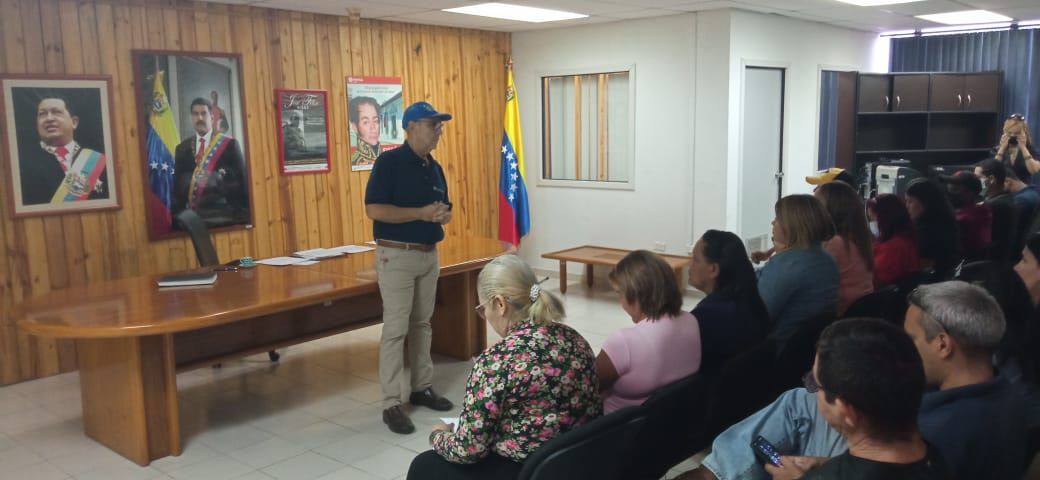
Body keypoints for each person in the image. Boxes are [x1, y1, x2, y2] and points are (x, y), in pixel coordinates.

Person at [675, 281, 1026, 480]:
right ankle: (716, 471)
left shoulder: (944, 431)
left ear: (943, 344)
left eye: (909, 338)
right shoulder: (1007, 391)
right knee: (800, 400)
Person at [406, 255, 601, 479]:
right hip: (576, 464)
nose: (484, 316)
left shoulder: (495, 362)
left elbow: (468, 450)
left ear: (499, 304)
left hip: (526, 470)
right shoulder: (574, 339)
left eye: (482, 308)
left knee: (424, 465)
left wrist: (438, 436)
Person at [365, 101, 455, 434]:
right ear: (412, 126)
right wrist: (419, 213)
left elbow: (444, 207)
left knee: (422, 324)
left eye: (440, 126)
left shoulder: (434, 167)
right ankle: (391, 403)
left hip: (428, 253)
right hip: (397, 256)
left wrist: (443, 215)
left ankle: (421, 387)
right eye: (434, 125)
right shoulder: (389, 162)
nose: (439, 132)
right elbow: (374, 209)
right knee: (396, 329)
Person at [597, 250, 701, 413]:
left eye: (620, 294)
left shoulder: (624, 342)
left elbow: (587, 386)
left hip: (619, 431)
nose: (621, 302)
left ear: (636, 295)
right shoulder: (691, 321)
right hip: (673, 421)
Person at [757, 194, 839, 346]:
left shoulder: (787, 266)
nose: (773, 222)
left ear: (792, 225)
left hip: (776, 351)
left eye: (778, 219)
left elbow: (757, 318)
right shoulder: (826, 259)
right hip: (807, 351)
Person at [688, 230, 770, 374]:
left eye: (695, 259)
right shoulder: (753, 303)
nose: (690, 264)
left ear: (713, 270)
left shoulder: (704, 318)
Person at [19, 93, 109, 205]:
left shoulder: (99, 161)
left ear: (74, 122)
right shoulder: (22, 162)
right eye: (42, 114)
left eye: (56, 112)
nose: (49, 118)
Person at [172, 97, 249, 227]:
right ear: (192, 118)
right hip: (192, 219)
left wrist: (218, 181)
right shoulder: (182, 149)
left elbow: (242, 183)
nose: (200, 118)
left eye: (204, 113)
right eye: (196, 114)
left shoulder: (230, 145)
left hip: (225, 216)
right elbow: (178, 187)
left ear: (212, 118)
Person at [814, 182, 874, 315]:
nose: (811, 210)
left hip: (841, 316)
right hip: (860, 313)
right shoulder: (858, 237)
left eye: (816, 204)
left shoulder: (835, 243)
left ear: (832, 209)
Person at [978, 159, 1038, 262]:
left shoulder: (1021, 201)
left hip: (1010, 258)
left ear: (1007, 181)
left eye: (979, 178)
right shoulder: (1031, 193)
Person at [905, 178, 960, 278]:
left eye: (910, 202)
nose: (907, 206)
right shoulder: (946, 218)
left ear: (926, 202)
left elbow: (923, 266)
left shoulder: (929, 230)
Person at [867, 194, 919, 286]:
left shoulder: (894, 247)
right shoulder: (905, 238)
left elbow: (877, 281)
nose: (871, 223)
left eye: (873, 219)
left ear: (885, 218)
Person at [940, 170, 992, 262]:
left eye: (955, 189)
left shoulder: (964, 219)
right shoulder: (981, 208)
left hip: (963, 267)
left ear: (970, 193)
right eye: (949, 187)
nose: (949, 192)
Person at [994, 113, 1038, 185]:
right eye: (1010, 133)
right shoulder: (996, 150)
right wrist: (1002, 148)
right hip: (1002, 189)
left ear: (1025, 133)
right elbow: (992, 170)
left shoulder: (1031, 150)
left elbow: (1033, 170)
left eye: (1017, 133)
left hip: (1023, 190)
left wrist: (1023, 148)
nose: (1013, 136)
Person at [350, 96, 381, 167]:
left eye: (375, 121)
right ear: (355, 127)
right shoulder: (355, 161)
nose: (373, 128)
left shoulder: (387, 157)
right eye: (366, 122)